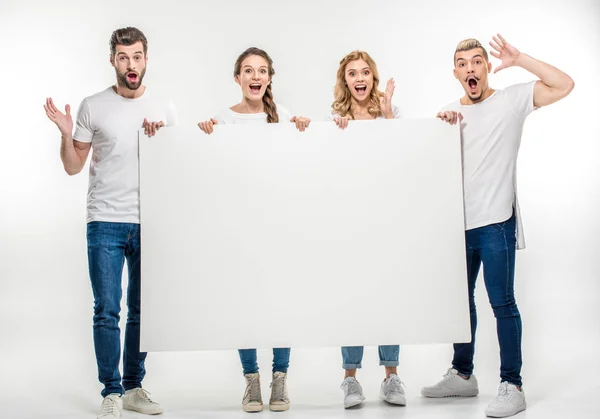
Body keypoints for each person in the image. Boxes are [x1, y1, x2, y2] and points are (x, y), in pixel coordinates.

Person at [422, 34, 574, 418]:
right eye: (463, 63)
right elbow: (427, 171)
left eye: (477, 61)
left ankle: (512, 384)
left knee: (501, 302)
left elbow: (564, 84)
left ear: (487, 67)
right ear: (455, 72)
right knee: (460, 304)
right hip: (456, 226)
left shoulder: (510, 101)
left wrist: (520, 58)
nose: (470, 68)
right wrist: (440, 132)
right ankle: (462, 374)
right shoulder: (446, 113)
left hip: (496, 224)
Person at [44, 27, 177, 419]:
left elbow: (176, 170)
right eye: (123, 57)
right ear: (113, 60)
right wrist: (66, 135)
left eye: (136, 56)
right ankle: (112, 391)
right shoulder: (93, 106)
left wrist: (162, 141)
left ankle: (135, 387)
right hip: (104, 220)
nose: (130, 64)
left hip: (149, 221)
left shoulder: (164, 108)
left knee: (143, 309)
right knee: (107, 308)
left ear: (146, 59)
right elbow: (73, 167)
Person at [198, 46, 310, 413]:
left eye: (262, 71)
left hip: (278, 225)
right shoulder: (223, 119)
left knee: (280, 301)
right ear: (237, 78)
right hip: (239, 228)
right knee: (243, 302)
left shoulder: (284, 118)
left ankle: (280, 379)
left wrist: (304, 132)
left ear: (270, 78)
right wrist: (205, 135)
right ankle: (252, 381)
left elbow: (299, 165)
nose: (255, 77)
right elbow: (213, 172)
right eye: (248, 71)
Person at [329, 50, 405, 409]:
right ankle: (350, 380)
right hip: (349, 221)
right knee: (353, 297)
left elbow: (404, 157)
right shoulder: (335, 119)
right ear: (344, 81)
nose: (359, 78)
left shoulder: (392, 113)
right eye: (351, 74)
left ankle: (391, 378)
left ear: (373, 78)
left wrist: (388, 115)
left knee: (389, 295)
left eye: (364, 72)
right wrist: (338, 135)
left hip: (388, 219)